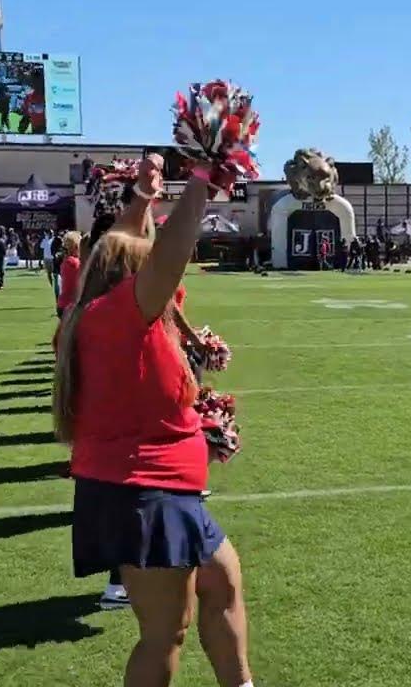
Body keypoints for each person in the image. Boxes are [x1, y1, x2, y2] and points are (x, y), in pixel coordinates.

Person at [54, 161, 254, 686]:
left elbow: (123, 239)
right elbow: (171, 255)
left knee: (223, 584)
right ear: (131, 276)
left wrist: (143, 197)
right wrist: (203, 180)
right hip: (142, 493)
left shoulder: (98, 312)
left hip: (162, 491)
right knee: (166, 631)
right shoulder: (119, 316)